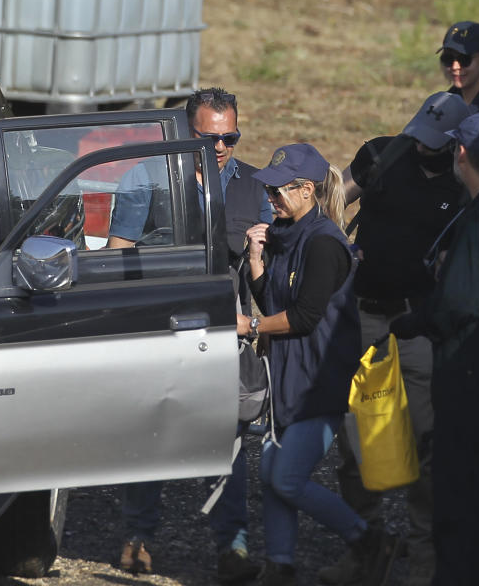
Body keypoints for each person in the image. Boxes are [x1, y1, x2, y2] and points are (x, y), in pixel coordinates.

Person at [109, 87, 270, 584]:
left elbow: (267, 270)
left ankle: (233, 548)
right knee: (149, 431)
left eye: (231, 138)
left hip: (224, 331)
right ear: (185, 132)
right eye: (209, 137)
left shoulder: (254, 188)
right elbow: (119, 255)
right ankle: (137, 538)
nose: (220, 148)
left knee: (228, 440)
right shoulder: (145, 178)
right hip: (161, 327)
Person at [321, 91, 471, 586]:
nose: (421, 147)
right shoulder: (383, 154)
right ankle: (367, 545)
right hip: (365, 318)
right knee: (354, 439)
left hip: (419, 329)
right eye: (418, 136)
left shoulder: (465, 182)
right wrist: (337, 239)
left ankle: (425, 563)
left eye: (433, 142)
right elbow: (335, 200)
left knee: (425, 445)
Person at [237, 143, 400, 586]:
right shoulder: (285, 235)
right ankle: (281, 565)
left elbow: (304, 318)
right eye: (269, 193)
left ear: (306, 190)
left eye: (278, 192)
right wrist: (256, 259)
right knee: (271, 475)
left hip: (317, 382)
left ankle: (368, 539)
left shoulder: (325, 243)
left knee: (286, 479)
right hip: (288, 377)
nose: (271, 200)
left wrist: (250, 326)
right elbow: (273, 301)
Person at [389, 113, 479, 585]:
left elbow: (462, 302)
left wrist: (412, 320)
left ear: (463, 155)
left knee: (458, 500)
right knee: (478, 496)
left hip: (473, 371)